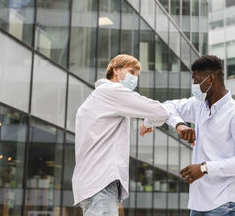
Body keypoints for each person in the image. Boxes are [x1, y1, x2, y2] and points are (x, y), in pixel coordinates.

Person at [141, 55, 235, 216]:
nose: (194, 85)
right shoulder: (199, 106)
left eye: (196, 80)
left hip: (226, 203)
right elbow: (166, 107)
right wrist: (179, 125)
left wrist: (204, 168)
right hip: (198, 204)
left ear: (210, 79)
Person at [72, 54, 169, 216]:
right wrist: (148, 123)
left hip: (93, 183)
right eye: (131, 72)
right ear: (116, 70)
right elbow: (160, 112)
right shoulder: (113, 91)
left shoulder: (97, 96)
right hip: (101, 183)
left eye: (137, 75)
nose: (135, 78)